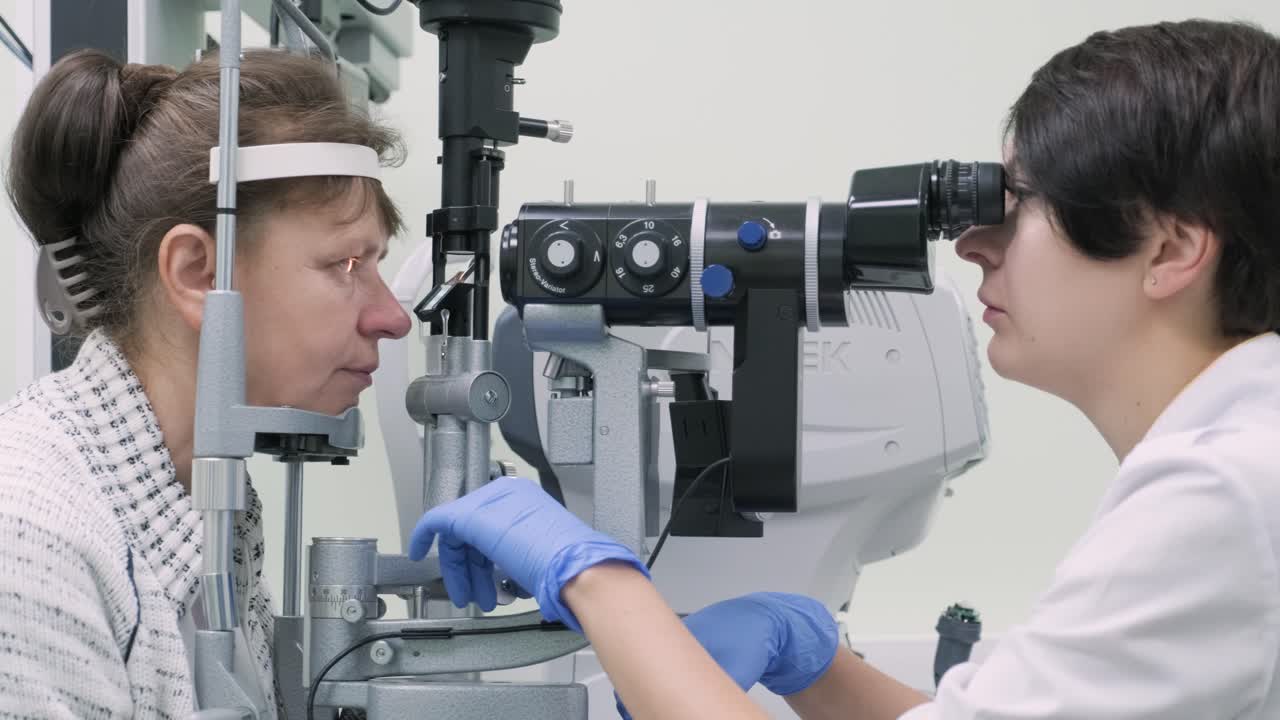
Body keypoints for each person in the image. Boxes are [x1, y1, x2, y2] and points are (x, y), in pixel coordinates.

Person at [408, 18, 1280, 720]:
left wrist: (593, 578)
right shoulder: (1236, 467)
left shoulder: (1216, 497)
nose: (975, 245)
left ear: (1169, 250)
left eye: (1021, 208)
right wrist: (818, 665)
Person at [0, 50, 410, 717]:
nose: (392, 317)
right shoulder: (33, 544)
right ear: (196, 272)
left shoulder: (211, 511)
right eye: (346, 263)